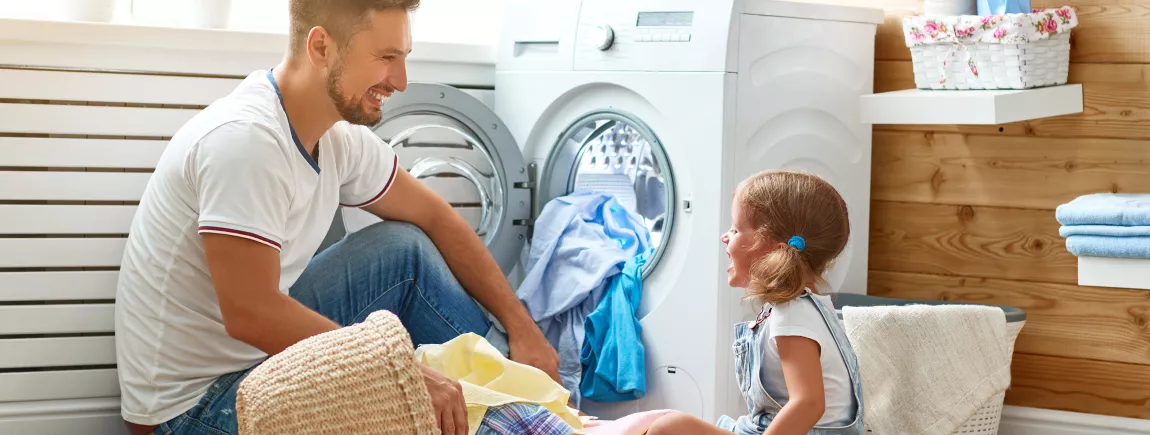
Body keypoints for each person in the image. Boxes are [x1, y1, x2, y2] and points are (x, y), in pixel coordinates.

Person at [112, 1, 559, 434]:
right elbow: (251, 313)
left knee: (402, 250)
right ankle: (533, 425)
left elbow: (435, 217)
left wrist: (524, 330)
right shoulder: (246, 142)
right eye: (386, 58)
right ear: (321, 47)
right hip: (193, 413)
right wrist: (394, 373)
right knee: (405, 395)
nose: (400, 81)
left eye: (403, 58)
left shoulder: (335, 136)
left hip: (251, 363)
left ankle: (536, 404)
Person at [642, 170, 865, 435]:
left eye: (735, 229)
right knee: (664, 423)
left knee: (670, 428)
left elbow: (808, 403)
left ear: (772, 248)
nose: (725, 236)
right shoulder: (802, 307)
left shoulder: (793, 314)